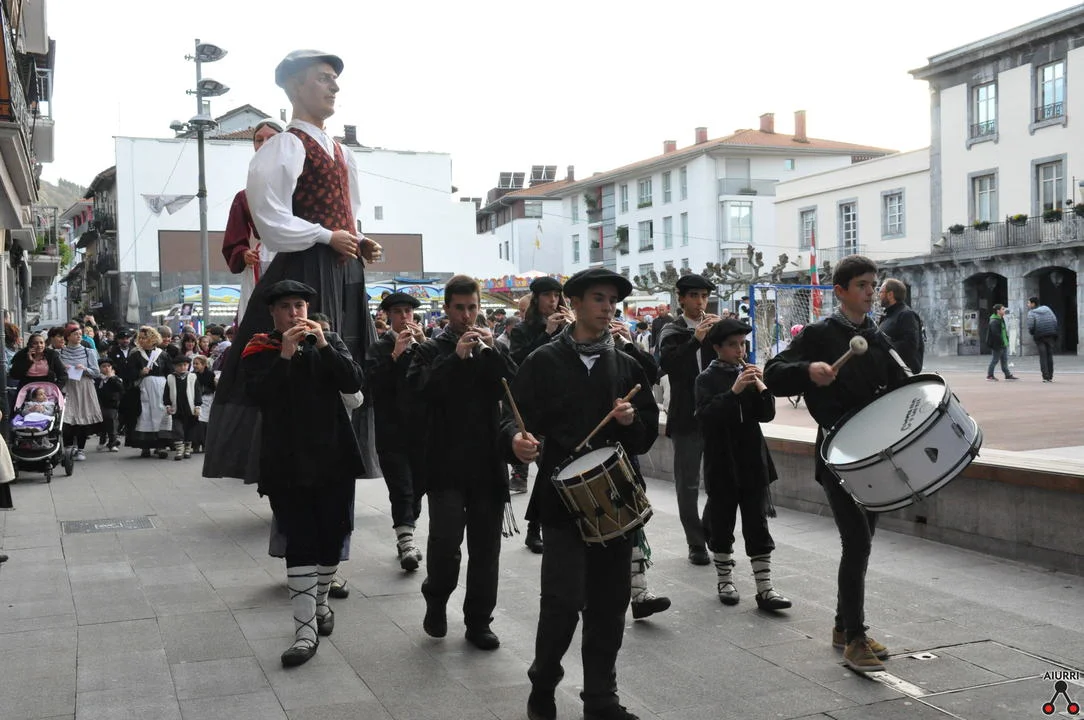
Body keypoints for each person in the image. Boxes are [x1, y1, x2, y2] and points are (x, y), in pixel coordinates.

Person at [204, 49, 380, 488]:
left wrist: (358, 240)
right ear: (294, 86)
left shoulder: (342, 152)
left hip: (343, 268)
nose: (334, 86)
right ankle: (298, 469)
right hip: (306, 267)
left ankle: (340, 459)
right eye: (323, 78)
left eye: (334, 79)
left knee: (346, 360)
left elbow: (348, 215)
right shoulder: (285, 145)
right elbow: (272, 222)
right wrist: (326, 236)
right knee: (306, 361)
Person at [506, 267, 658, 720]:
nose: (608, 307)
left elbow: (646, 434)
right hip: (561, 500)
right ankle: (543, 683)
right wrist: (515, 441)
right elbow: (511, 416)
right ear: (573, 303)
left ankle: (600, 699)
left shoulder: (626, 364)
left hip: (615, 499)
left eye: (612, 300)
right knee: (563, 601)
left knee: (610, 604)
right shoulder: (543, 360)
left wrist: (632, 421)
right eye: (598, 298)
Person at [764, 255, 909, 673]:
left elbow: (901, 384)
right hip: (837, 454)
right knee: (857, 542)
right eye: (862, 285)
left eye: (873, 285)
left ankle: (844, 628)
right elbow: (773, 373)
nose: (871, 292)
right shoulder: (819, 334)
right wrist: (808, 371)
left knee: (863, 541)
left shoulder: (877, 336)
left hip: (874, 455)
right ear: (840, 291)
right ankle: (855, 639)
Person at [243, 279, 365, 668]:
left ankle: (322, 602)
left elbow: (353, 382)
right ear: (273, 313)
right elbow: (259, 396)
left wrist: (324, 345)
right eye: (286, 307)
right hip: (286, 462)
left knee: (333, 536)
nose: (295, 313)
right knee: (300, 540)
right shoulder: (259, 348)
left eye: (300, 305)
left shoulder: (331, 342)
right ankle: (304, 631)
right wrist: (285, 353)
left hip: (334, 457)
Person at [407, 275, 516, 651]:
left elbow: (515, 386)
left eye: (472, 308)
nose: (467, 316)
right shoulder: (430, 349)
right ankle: (436, 596)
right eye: (459, 308)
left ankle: (479, 620)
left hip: (487, 463)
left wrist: (493, 352)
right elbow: (420, 392)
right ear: (447, 308)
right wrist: (454, 358)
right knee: (446, 540)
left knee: (486, 549)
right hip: (445, 463)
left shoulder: (490, 347)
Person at [695, 319, 791, 610]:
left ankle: (765, 588)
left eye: (742, 344)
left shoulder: (747, 374)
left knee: (757, 523)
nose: (740, 350)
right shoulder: (706, 379)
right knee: (722, 523)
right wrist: (733, 392)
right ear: (717, 348)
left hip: (751, 461)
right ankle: (725, 581)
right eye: (733, 345)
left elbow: (767, 415)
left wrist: (762, 388)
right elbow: (706, 417)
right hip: (722, 462)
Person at [508, 276, 574, 553]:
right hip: (534, 409)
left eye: (557, 296)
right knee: (547, 469)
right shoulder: (522, 330)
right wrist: (547, 333)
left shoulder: (569, 326)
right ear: (536, 299)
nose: (553, 301)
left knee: (551, 470)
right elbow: (519, 363)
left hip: (562, 407)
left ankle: (539, 527)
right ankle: (535, 528)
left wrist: (573, 328)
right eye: (548, 296)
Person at [658, 274, 720, 566]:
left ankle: (708, 529)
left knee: (720, 481)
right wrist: (696, 339)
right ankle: (695, 543)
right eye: (694, 296)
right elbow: (668, 364)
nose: (700, 302)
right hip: (685, 416)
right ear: (681, 299)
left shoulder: (715, 327)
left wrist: (725, 336)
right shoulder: (672, 330)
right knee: (688, 485)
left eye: (704, 296)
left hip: (715, 415)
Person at [367, 291, 427, 570]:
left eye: (408, 312)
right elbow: (371, 386)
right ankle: (407, 541)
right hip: (391, 431)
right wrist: (394, 356)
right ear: (388, 316)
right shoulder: (379, 348)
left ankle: (406, 533)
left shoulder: (424, 345)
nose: (404, 317)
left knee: (419, 487)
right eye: (398, 312)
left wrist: (425, 347)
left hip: (422, 431)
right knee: (401, 487)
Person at [223, 119, 284, 318]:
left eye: (271, 138)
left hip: (299, 255)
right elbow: (233, 241)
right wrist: (243, 254)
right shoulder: (245, 197)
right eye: (259, 140)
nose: (264, 144)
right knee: (258, 315)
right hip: (263, 259)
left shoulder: (302, 186)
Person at [127, 326, 173, 458]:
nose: (141, 340)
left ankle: (161, 446)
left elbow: (169, 372)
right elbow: (129, 373)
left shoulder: (162, 354)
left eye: (144, 338)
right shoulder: (136, 355)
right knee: (145, 414)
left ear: (152, 338)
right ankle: (145, 446)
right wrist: (140, 373)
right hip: (144, 388)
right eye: (140, 338)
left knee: (162, 414)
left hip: (161, 387)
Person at [58, 325, 103, 461]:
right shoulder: (60, 352)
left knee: (82, 418)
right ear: (68, 337)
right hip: (68, 386)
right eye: (75, 334)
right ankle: (68, 448)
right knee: (67, 418)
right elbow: (56, 371)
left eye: (80, 334)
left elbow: (96, 372)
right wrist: (63, 369)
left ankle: (81, 449)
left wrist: (85, 369)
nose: (78, 336)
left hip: (84, 386)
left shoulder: (88, 352)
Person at [877, 278, 923, 374]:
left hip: (902, 375)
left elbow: (909, 345)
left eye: (881, 292)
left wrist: (884, 347)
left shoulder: (906, 314)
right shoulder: (888, 315)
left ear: (890, 294)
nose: (878, 295)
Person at [164, 355, 201, 460]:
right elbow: (166, 393)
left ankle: (187, 449)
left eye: (185, 365)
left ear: (188, 365)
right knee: (177, 429)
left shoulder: (192, 377)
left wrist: (197, 406)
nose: (183, 367)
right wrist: (167, 405)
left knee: (189, 429)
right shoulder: (170, 378)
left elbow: (197, 392)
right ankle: (179, 450)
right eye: (180, 365)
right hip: (177, 408)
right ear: (175, 366)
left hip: (190, 408)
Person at [1026, 296, 1058, 383]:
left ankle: (1045, 376)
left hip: (1039, 336)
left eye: (1028, 303)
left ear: (1033, 304)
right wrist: (1053, 330)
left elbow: (1031, 326)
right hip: (1050, 334)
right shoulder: (1047, 309)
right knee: (1049, 355)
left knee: (1043, 356)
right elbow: (1054, 320)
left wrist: (1033, 333)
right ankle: (1050, 376)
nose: (1027, 305)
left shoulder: (1031, 313)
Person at [96, 359, 124, 452]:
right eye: (104, 366)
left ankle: (112, 443)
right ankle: (102, 441)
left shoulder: (115, 378)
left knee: (112, 424)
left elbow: (121, 389)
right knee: (102, 425)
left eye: (109, 366)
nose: (107, 368)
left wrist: (112, 378)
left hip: (112, 405)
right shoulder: (98, 379)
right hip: (100, 404)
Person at [985, 304, 1018, 381]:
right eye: (1002, 309)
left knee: (1004, 360)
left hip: (1003, 343)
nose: (1004, 310)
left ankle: (1007, 375)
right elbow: (995, 334)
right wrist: (1001, 342)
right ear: (998, 311)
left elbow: (1003, 331)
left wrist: (1005, 340)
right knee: (995, 360)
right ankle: (990, 375)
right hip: (998, 345)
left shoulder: (1000, 319)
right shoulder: (994, 321)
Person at [191, 355, 215, 453]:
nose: (195, 366)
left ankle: (205, 444)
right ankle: (195, 444)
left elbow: (213, 387)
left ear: (204, 364)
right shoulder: (192, 375)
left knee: (205, 423)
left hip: (207, 400)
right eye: (194, 363)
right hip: (196, 400)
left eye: (197, 364)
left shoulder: (210, 375)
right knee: (196, 422)